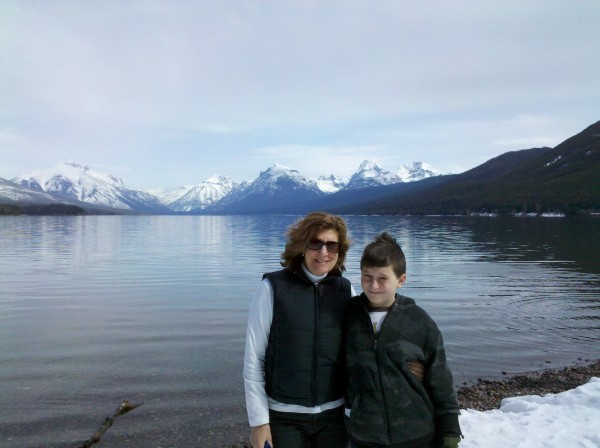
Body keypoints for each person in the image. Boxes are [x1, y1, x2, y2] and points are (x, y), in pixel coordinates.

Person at [243, 211, 354, 448]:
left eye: (332, 245)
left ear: (339, 251)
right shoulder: (273, 287)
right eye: (315, 243)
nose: (323, 252)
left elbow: (361, 349)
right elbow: (254, 357)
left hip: (334, 417)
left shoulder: (346, 290)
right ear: (302, 246)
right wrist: (259, 421)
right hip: (284, 418)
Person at [344, 232, 462, 448]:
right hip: (365, 434)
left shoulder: (419, 322)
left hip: (415, 433)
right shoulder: (348, 317)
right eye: (366, 277)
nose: (373, 286)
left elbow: (441, 381)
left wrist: (450, 431)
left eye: (383, 278)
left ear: (401, 280)